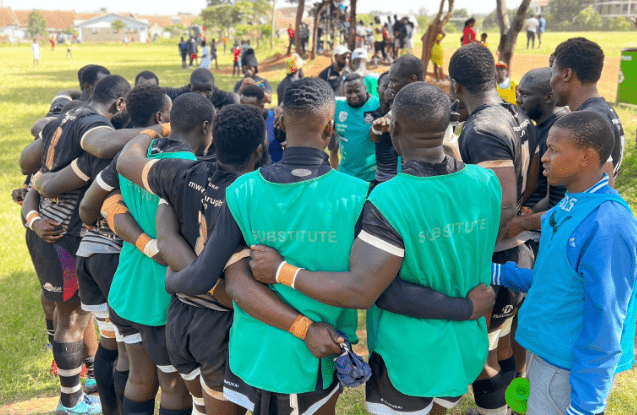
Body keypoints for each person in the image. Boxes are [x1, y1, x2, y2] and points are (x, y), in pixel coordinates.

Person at [248, 82, 502, 415]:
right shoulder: (486, 183)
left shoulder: (389, 199)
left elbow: (367, 291)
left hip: (408, 359)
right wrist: (466, 308)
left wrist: (281, 271)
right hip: (464, 350)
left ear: (394, 128)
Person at [491, 111, 637, 415]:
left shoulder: (608, 226)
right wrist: (497, 273)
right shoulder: (568, 206)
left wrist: (585, 406)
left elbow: (606, 321)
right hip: (545, 352)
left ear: (586, 156)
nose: (544, 157)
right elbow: (555, 280)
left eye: (554, 150)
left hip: (567, 370)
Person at [21, 75, 133, 415]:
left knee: (75, 316)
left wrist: (34, 213)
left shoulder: (64, 118)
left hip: (45, 228)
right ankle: (70, 402)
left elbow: (31, 169)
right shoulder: (91, 125)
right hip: (64, 238)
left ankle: (81, 389)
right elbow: (101, 146)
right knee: (72, 317)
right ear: (119, 104)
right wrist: (155, 131)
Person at [108, 94, 215, 415]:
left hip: (127, 288)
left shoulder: (139, 158)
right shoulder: (191, 173)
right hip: (162, 297)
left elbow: (109, 203)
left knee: (139, 379)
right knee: (173, 388)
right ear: (206, 128)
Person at [448, 44, 536, 415]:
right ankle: (513, 409)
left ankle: (494, 413)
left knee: (481, 357)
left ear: (454, 85)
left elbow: (501, 208)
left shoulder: (483, 128)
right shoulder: (514, 114)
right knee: (502, 349)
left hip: (497, 257)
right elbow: (528, 182)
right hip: (519, 250)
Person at [551, 37, 626, 186]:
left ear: (566, 74)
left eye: (552, 74)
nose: (550, 82)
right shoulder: (603, 111)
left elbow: (603, 191)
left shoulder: (591, 120)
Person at [370, 54, 426, 184]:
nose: (390, 86)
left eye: (393, 81)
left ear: (412, 79)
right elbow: (375, 133)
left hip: (423, 182)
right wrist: (377, 128)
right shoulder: (400, 107)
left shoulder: (431, 104)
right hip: (405, 181)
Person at [332, 73, 380, 181]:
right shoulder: (338, 107)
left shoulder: (376, 105)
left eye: (357, 91)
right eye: (349, 92)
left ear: (365, 88)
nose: (353, 95)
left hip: (371, 176)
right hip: (346, 174)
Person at [240, 84, 284, 163]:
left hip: (273, 171)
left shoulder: (275, 121)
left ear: (261, 106)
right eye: (242, 106)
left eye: (249, 107)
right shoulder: (237, 121)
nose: (244, 111)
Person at [164, 68, 240, 112]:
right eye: (197, 90)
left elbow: (235, 98)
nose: (203, 96)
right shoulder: (185, 92)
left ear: (213, 88)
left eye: (208, 91)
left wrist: (222, 114)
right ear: (190, 87)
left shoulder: (218, 95)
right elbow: (164, 92)